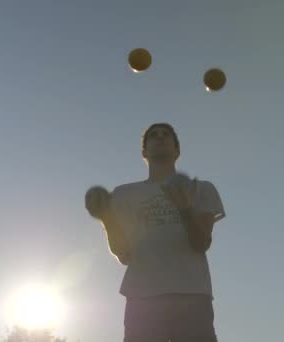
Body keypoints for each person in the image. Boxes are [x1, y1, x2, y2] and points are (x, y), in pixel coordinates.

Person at [85, 122, 226, 342]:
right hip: (142, 298)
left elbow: (201, 243)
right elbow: (124, 254)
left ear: (177, 150)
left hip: (192, 295)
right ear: (144, 151)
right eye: (153, 135)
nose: (160, 137)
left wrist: (186, 209)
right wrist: (107, 218)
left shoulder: (201, 188)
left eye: (166, 135)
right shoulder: (123, 194)